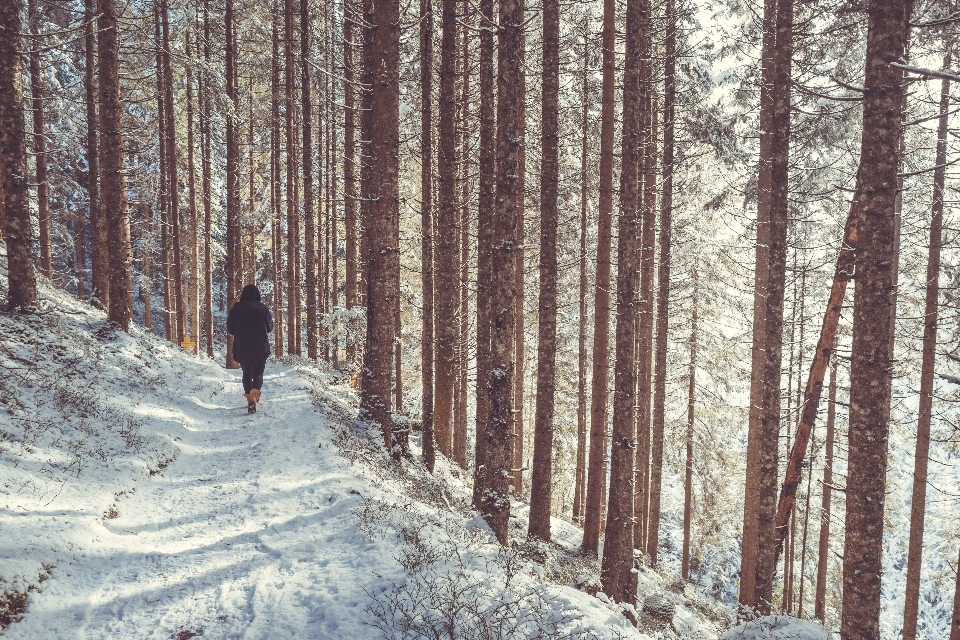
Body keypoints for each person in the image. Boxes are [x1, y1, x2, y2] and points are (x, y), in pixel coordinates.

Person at [227, 284, 274, 413]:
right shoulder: (262, 309)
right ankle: (254, 396)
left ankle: (249, 397)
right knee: (258, 373)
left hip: (242, 347)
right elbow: (270, 327)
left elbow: (230, 328)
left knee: (246, 372)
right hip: (260, 346)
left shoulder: (236, 309)